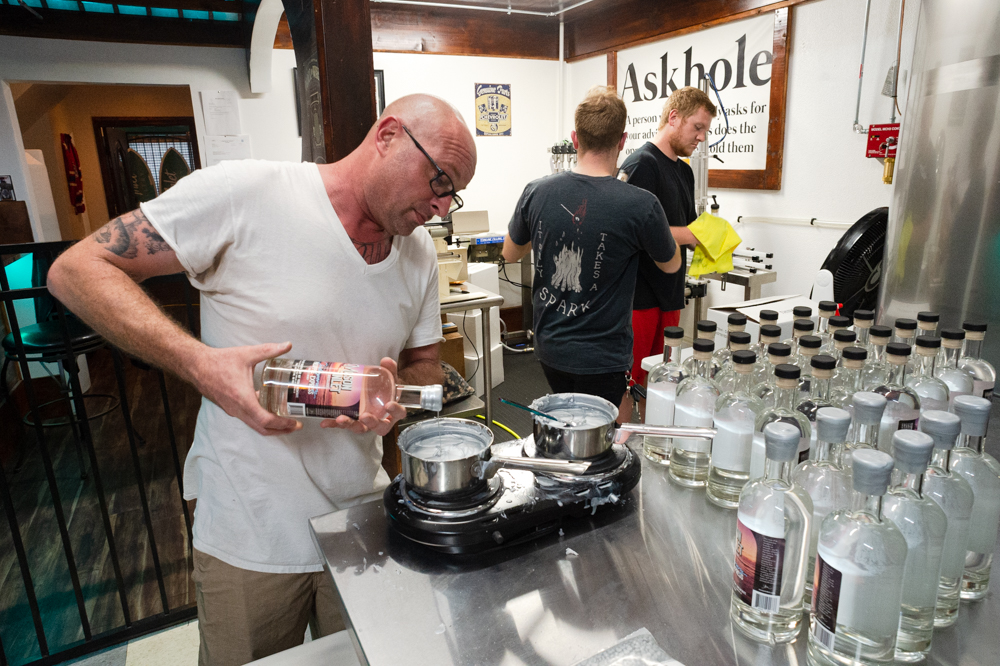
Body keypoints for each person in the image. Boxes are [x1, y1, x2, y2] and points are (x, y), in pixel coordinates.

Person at [47, 94, 476, 666]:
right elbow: (75, 270)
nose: (442, 207)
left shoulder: (419, 253)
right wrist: (199, 363)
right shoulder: (248, 193)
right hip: (249, 529)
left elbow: (425, 360)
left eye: (453, 193)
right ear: (389, 134)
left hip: (359, 522)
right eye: (439, 180)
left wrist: (395, 392)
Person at [502, 86, 681, 411]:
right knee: (608, 431)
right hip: (604, 356)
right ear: (622, 140)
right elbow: (670, 264)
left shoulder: (536, 191)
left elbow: (510, 254)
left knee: (566, 419)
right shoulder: (641, 205)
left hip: (550, 348)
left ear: (575, 138)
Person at [618, 86, 716, 390]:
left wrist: (713, 239)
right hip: (639, 297)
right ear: (674, 117)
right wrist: (688, 234)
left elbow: (687, 229)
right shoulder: (641, 165)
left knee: (663, 380)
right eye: (697, 127)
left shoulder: (685, 173)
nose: (701, 137)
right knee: (631, 380)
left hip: (671, 293)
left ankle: (654, 437)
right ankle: (623, 437)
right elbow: (626, 229)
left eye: (705, 131)